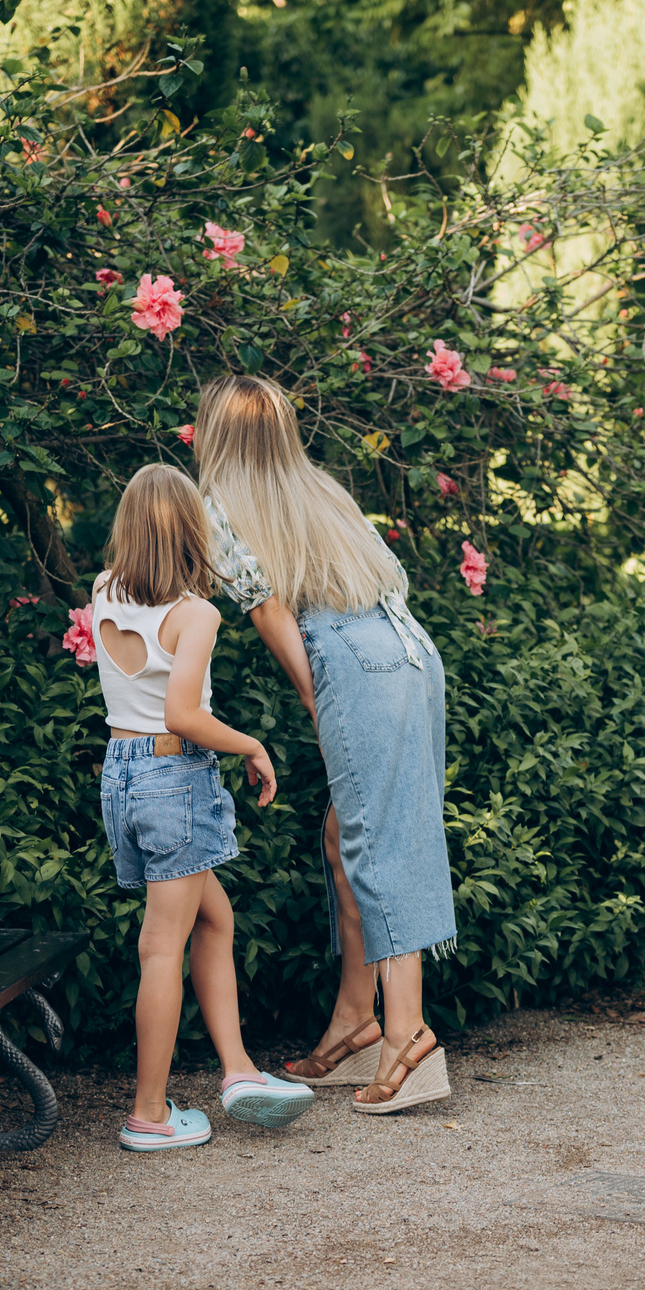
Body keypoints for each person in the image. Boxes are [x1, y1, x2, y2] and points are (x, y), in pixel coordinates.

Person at [192, 374, 455, 1114]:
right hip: (409, 652)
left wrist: (320, 701)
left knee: (376, 838)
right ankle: (356, 1021)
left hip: (351, 661)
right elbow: (387, 581)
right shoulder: (320, 490)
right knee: (349, 835)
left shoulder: (220, 507)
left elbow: (270, 612)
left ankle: (407, 1034)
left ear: (219, 434)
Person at [92, 464, 317, 1151]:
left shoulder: (103, 591)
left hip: (122, 778)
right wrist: (252, 744)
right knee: (162, 947)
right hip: (172, 779)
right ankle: (149, 1114)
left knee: (212, 918)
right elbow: (184, 714)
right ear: (194, 530)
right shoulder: (195, 614)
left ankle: (239, 1071)